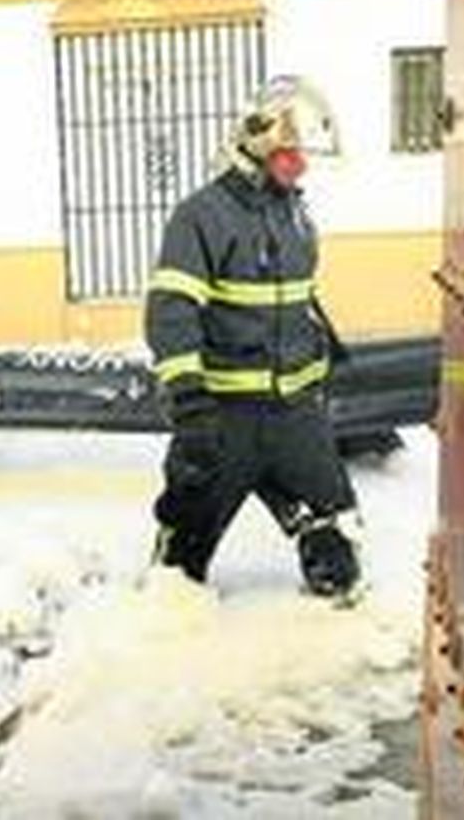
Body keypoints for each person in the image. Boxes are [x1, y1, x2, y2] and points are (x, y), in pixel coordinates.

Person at [145, 74, 362, 601]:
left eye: (303, 154)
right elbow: (171, 308)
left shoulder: (295, 213)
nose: (301, 164)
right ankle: (162, 622)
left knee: (337, 543)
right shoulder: (202, 216)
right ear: (257, 146)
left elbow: (294, 301)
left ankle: (336, 610)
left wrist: (320, 362)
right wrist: (190, 398)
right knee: (180, 567)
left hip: (295, 416)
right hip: (225, 416)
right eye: (290, 153)